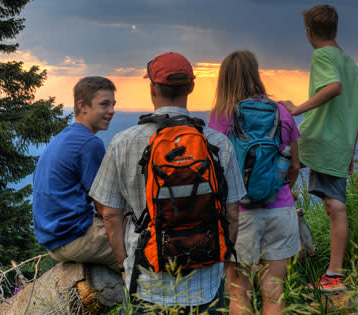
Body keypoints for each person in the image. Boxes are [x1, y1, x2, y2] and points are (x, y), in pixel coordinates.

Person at [89, 52, 246, 314]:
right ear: (192, 87)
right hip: (204, 284)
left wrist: (123, 263)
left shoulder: (123, 142)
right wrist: (220, 262)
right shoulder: (218, 144)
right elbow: (232, 214)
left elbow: (110, 213)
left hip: (146, 282)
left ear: (152, 88)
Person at [208, 50, 301, 315]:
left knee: (238, 294)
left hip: (240, 215)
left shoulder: (222, 116)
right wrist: (281, 192)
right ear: (256, 74)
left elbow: (215, 169)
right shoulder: (281, 112)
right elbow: (294, 165)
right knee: (274, 294)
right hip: (280, 210)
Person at [280, 4, 358, 292]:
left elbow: (334, 88)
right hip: (339, 143)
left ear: (309, 31)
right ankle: (334, 275)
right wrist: (351, 151)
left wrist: (296, 110)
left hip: (317, 137)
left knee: (276, 170)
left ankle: (280, 229)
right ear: (335, 29)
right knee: (335, 205)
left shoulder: (322, 55)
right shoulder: (351, 63)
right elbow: (357, 112)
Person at [33, 76, 119, 272]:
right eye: (104, 105)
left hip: (52, 240)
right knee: (143, 252)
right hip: (73, 238)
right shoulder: (90, 144)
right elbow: (107, 208)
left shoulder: (65, 137)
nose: (112, 111)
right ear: (83, 106)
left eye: (113, 104)